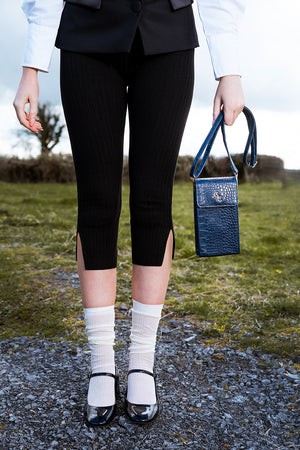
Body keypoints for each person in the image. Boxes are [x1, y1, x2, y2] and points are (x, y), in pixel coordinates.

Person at [13, 0, 246, 426]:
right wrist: (32, 65)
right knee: (97, 203)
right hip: (86, 35)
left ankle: (142, 362)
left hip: (169, 37)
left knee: (153, 203)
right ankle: (101, 363)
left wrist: (229, 69)